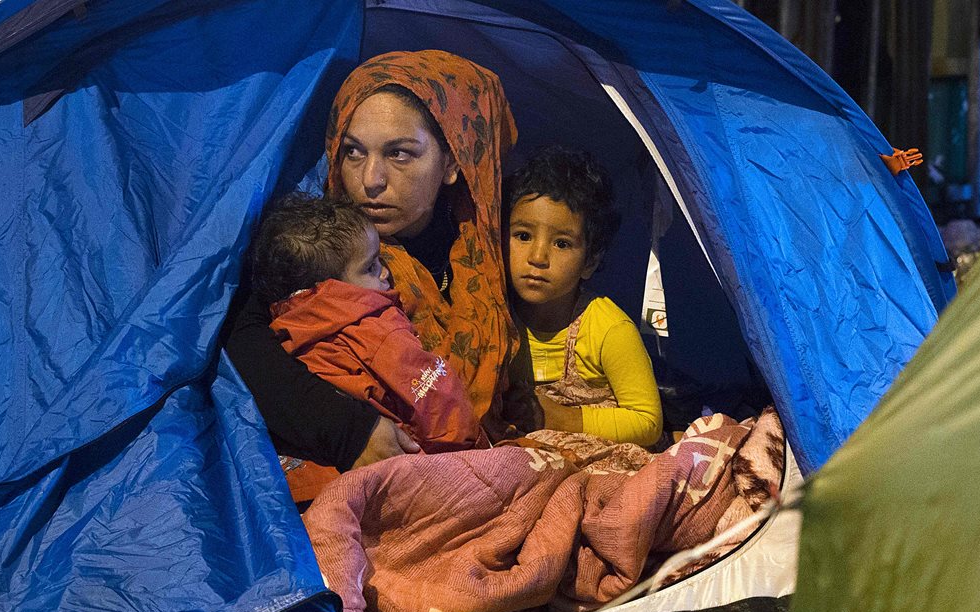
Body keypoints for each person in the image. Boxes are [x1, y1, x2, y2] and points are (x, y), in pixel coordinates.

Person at [223, 50, 518, 473]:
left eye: (400, 154)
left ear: (453, 162)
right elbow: (244, 340)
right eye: (353, 152)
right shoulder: (319, 249)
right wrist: (350, 430)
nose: (370, 180)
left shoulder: (484, 255)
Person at [251, 194, 482, 462]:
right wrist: (474, 446)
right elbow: (436, 400)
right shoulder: (379, 331)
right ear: (332, 291)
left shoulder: (290, 334)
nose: (385, 272)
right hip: (423, 462)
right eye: (370, 267)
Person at [506, 147, 664, 448]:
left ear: (589, 262)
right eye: (523, 236)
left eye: (562, 243)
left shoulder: (608, 329)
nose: (537, 257)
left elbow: (648, 422)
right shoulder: (496, 315)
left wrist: (564, 420)